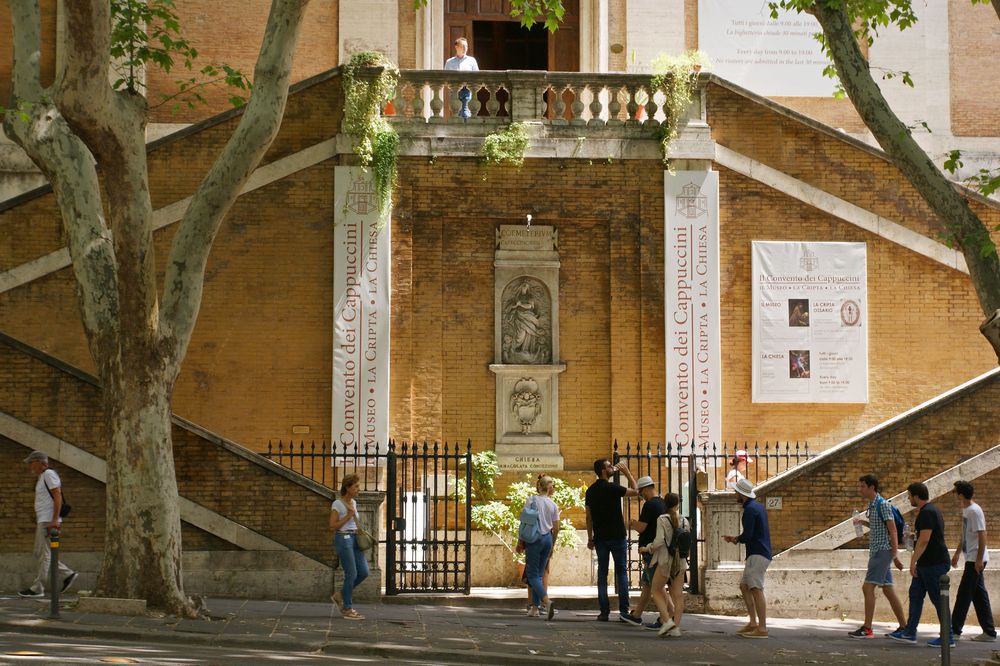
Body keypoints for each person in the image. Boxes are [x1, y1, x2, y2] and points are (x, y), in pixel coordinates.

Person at [888, 482, 952, 647]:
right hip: (925, 564)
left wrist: (913, 561)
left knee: (938, 599)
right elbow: (922, 537)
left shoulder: (928, 512)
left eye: (909, 496)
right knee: (915, 595)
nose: (908, 499)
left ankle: (948, 637)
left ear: (916, 496)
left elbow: (925, 540)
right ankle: (910, 632)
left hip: (934, 563)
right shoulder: (928, 511)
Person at [847, 474, 906, 638]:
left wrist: (895, 556)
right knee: (888, 589)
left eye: (863, 486)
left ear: (872, 487)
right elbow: (877, 526)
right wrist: (862, 523)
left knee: (867, 587)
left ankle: (867, 629)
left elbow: (892, 530)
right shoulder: (872, 505)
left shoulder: (883, 504)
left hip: (882, 551)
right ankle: (904, 627)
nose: (860, 489)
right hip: (877, 551)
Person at [586, 458, 638, 622]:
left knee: (602, 573)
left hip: (600, 537)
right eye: (609, 466)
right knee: (621, 572)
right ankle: (623, 611)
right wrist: (626, 472)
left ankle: (604, 612)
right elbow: (636, 491)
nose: (612, 468)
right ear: (603, 470)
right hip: (617, 535)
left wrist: (589, 538)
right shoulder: (612, 488)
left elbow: (588, 517)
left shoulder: (591, 491)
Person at [19, 451, 77, 598]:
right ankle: (67, 574)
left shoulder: (49, 474)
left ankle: (38, 588)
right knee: (41, 553)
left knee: (43, 554)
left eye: (32, 462)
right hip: (44, 519)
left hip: (47, 520)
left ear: (40, 462)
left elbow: (57, 496)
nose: (30, 466)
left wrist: (55, 520)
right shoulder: (42, 477)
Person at [723, 478, 772, 639]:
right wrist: (737, 538)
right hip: (759, 552)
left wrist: (736, 539)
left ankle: (762, 628)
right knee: (745, 586)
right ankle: (753, 623)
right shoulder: (757, 507)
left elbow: (748, 535)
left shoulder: (750, 510)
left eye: (736, 491)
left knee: (756, 589)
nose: (735, 494)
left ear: (742, 494)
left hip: (757, 553)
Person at [950, 480, 996, 642]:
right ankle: (989, 632)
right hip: (971, 558)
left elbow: (982, 535)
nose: (953, 495)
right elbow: (965, 535)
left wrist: (978, 560)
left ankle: (954, 631)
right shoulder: (967, 511)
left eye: (954, 492)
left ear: (961, 495)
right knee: (978, 596)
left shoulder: (974, 511)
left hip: (976, 560)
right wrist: (956, 554)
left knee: (964, 595)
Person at [640, 492, 689, 637]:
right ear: (678, 504)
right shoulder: (685, 521)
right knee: (678, 595)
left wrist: (647, 548)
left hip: (665, 561)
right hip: (680, 562)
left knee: (656, 589)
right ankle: (676, 627)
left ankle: (667, 621)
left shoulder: (662, 519)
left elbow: (659, 541)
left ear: (664, 504)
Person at [622, 476, 667, 628]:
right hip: (658, 549)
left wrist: (633, 523)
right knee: (648, 584)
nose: (641, 495)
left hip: (650, 550)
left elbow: (642, 528)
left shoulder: (650, 505)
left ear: (647, 488)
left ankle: (666, 618)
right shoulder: (662, 503)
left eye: (641, 492)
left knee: (656, 586)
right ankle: (637, 615)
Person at [330, 474, 368, 620]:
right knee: (351, 573)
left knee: (363, 572)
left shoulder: (354, 502)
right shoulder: (337, 504)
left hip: (355, 539)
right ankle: (347, 608)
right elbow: (332, 526)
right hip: (343, 538)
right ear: (347, 487)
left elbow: (354, 522)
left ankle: (340, 595)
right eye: (356, 486)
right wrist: (347, 516)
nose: (359, 489)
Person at [524, 475, 561, 621]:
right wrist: (553, 544)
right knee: (539, 574)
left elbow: (526, 522)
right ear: (550, 488)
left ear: (539, 486)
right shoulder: (553, 504)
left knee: (532, 575)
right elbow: (557, 527)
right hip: (547, 539)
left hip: (534, 538)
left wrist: (521, 541)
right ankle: (534, 608)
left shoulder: (531, 500)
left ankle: (547, 601)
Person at [443, 37, 478, 119]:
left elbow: (477, 75)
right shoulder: (449, 62)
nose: (465, 48)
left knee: (465, 113)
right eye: (463, 46)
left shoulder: (472, 60)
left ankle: (466, 130)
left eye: (466, 46)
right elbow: (445, 77)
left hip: (467, 90)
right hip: (454, 91)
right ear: (456, 47)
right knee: (456, 113)